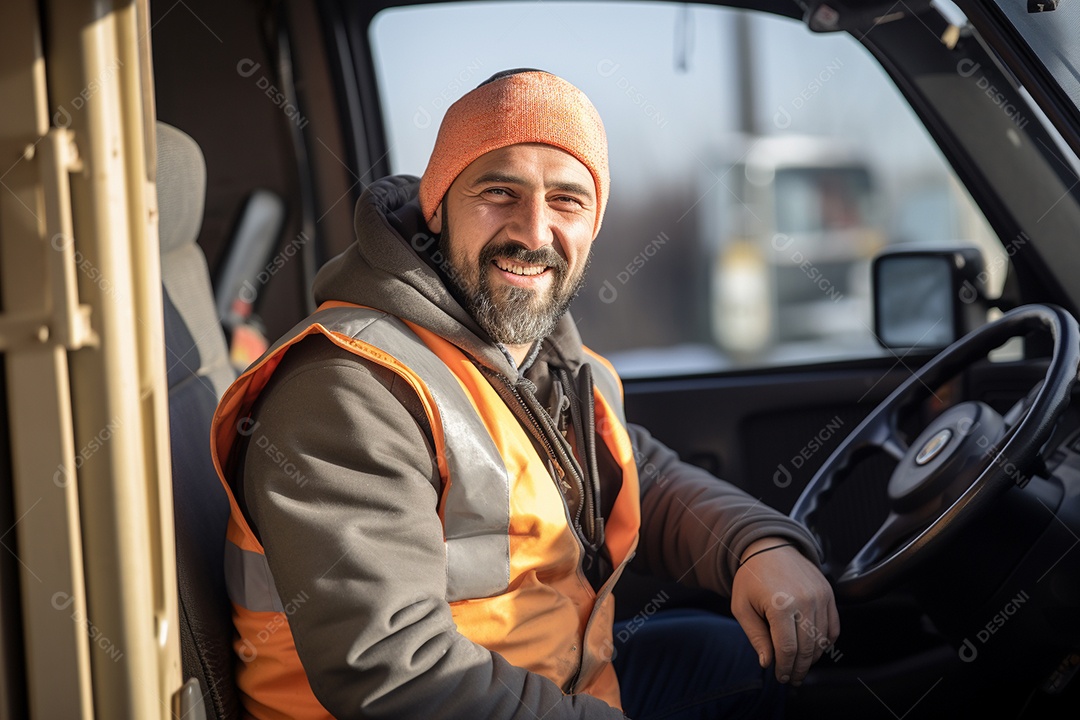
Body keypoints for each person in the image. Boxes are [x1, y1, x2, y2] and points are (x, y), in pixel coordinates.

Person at [210, 68, 839, 720]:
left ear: (593, 226)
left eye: (567, 200)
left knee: (738, 659)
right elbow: (392, 671)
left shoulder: (532, 353)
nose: (533, 232)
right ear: (438, 204)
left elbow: (635, 475)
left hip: (556, 676)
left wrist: (754, 546)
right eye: (499, 191)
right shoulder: (349, 387)